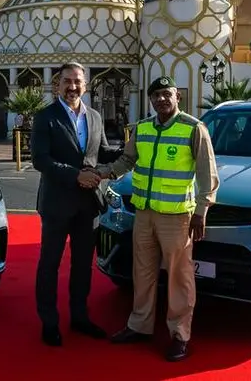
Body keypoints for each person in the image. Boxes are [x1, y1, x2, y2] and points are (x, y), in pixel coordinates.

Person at [103, 76, 219, 362]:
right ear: (151, 100)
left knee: (179, 277)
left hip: (177, 216)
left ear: (177, 96)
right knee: (142, 273)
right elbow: (126, 162)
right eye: (156, 96)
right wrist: (101, 172)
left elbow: (208, 174)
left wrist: (201, 211)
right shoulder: (142, 128)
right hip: (143, 213)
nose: (161, 100)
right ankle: (139, 326)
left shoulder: (194, 128)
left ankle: (179, 334)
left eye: (167, 95)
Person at [31, 62, 123, 346]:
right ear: (58, 83)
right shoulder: (45, 117)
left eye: (78, 82)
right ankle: (49, 322)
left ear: (86, 85)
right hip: (57, 204)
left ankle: (80, 317)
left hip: (88, 205)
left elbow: (101, 152)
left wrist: (131, 150)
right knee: (50, 264)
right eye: (67, 81)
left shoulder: (94, 117)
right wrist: (76, 176)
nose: (73, 87)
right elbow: (40, 159)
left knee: (83, 265)